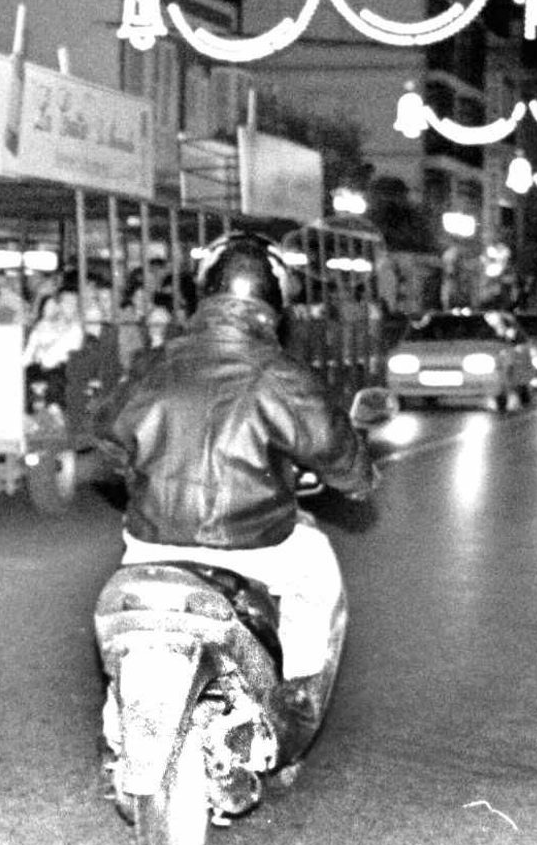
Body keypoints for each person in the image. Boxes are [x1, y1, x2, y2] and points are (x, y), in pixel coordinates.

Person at [93, 231, 379, 769]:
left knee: (126, 608)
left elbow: (107, 435)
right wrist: (361, 480)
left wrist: (141, 471)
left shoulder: (156, 362)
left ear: (204, 291)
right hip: (255, 542)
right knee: (318, 582)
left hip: (153, 537)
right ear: (277, 300)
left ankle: (116, 727)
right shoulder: (282, 374)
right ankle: (293, 696)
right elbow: (337, 451)